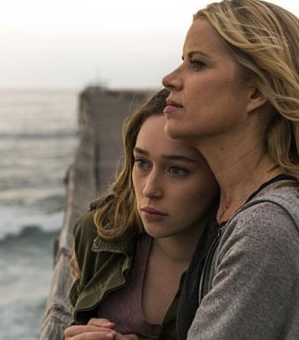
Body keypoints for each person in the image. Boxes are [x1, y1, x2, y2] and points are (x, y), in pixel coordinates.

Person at [162, 0, 299, 339]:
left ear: (256, 92)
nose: (169, 79)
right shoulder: (288, 204)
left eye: (197, 64)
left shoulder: (265, 232)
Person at [64, 89, 219, 340]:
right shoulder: (98, 236)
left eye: (176, 170)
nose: (149, 189)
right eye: (142, 163)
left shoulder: (238, 262)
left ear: (219, 174)